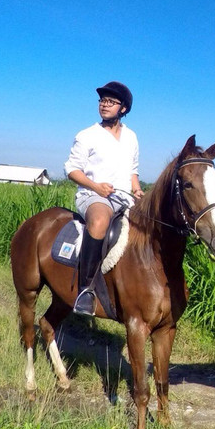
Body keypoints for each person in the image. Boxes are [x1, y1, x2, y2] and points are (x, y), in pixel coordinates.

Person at [65, 81, 145, 314]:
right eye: (102, 100)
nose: (104, 105)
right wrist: (96, 187)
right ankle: (85, 290)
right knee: (100, 222)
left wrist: (137, 189)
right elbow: (72, 170)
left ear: (123, 108)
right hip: (93, 195)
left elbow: (133, 171)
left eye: (110, 101)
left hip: (124, 198)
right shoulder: (87, 135)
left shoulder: (131, 137)